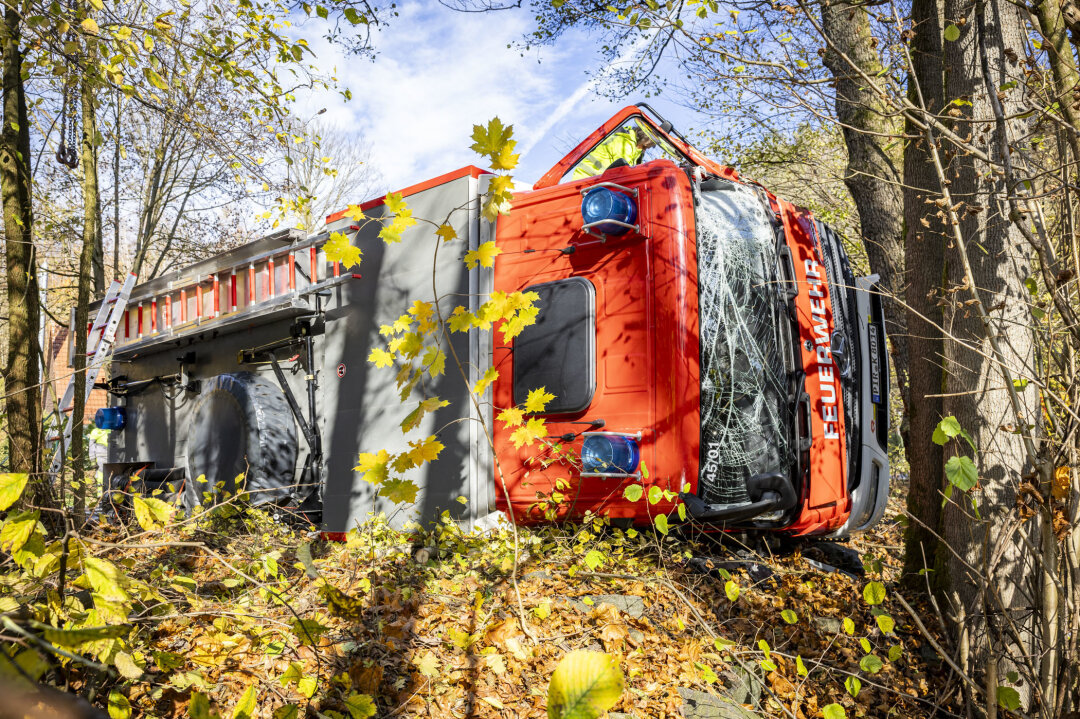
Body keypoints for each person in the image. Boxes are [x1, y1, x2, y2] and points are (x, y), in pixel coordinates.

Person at [572, 126, 657, 179]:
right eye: (645, 146)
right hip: (587, 178)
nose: (645, 150)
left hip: (593, 179)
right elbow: (625, 172)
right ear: (643, 141)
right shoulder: (625, 143)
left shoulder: (627, 141)